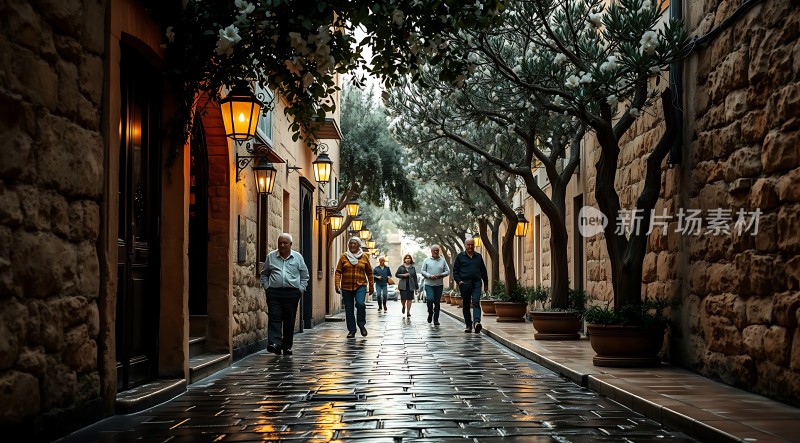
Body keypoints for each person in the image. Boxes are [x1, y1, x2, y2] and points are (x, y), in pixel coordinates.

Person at [260, 233, 310, 356]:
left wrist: (300, 290)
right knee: (274, 316)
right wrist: (267, 288)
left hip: (292, 293)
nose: (282, 245)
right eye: (280, 243)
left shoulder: (298, 257)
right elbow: (264, 274)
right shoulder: (271, 256)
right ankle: (275, 343)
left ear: (290, 244)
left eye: (285, 243)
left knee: (289, 319)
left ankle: (287, 346)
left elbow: (305, 276)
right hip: (274, 293)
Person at [335, 237, 374, 338]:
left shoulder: (364, 257)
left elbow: (369, 272)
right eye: (350, 243)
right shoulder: (344, 256)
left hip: (360, 285)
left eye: (354, 244)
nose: (352, 245)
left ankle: (361, 324)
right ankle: (352, 330)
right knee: (349, 309)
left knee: (360, 304)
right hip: (346, 286)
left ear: (359, 245)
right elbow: (338, 271)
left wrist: (371, 286)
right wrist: (337, 284)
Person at [452, 238, 489, 333]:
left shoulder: (478, 256)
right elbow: (455, 271)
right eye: (468, 245)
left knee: (476, 302)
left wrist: (486, 283)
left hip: (476, 282)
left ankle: (477, 322)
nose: (470, 247)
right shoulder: (460, 257)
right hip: (465, 284)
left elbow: (483, 271)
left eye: (472, 245)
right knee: (466, 304)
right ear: (465, 245)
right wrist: (459, 282)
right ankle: (468, 325)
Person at [421, 245, 450, 325]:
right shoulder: (426, 260)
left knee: (437, 302)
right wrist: (430, 276)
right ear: (431, 251)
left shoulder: (443, 260)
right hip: (429, 284)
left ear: (439, 251)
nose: (436, 252)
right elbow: (423, 271)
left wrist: (441, 275)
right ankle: (430, 313)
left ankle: (436, 319)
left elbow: (447, 271)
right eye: (434, 250)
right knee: (430, 299)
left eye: (437, 250)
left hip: (439, 285)